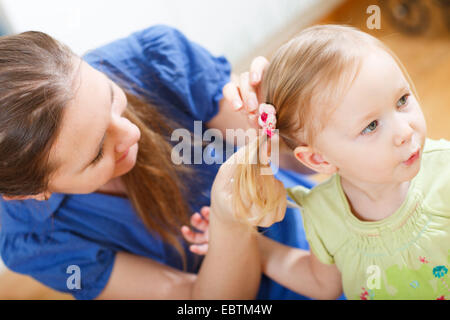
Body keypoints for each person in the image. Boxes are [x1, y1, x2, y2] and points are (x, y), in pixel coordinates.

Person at [0, 25, 315, 300]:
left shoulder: (152, 60)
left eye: (111, 97)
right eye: (97, 153)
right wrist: (230, 225)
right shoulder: (31, 240)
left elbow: (294, 159)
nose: (133, 132)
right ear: (33, 192)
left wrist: (287, 117)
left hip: (310, 234)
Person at [183, 24, 450, 300]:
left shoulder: (444, 171)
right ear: (318, 159)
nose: (405, 131)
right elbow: (323, 285)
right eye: (370, 126)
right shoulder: (323, 212)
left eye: (402, 100)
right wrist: (253, 245)